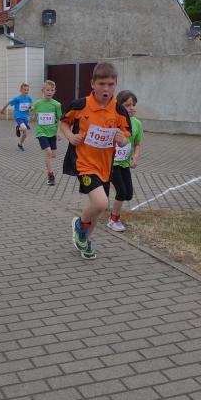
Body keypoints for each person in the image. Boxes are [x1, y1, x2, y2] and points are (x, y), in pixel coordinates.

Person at [60, 62, 130, 259]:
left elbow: (126, 139)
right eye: (101, 84)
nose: (106, 88)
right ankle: (79, 224)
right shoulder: (80, 105)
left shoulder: (119, 111)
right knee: (100, 202)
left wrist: (122, 140)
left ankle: (85, 239)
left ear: (116, 84)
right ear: (92, 83)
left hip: (105, 166)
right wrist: (70, 136)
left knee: (98, 210)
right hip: (84, 163)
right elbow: (64, 122)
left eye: (110, 84)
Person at [107, 91, 143, 232]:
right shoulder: (113, 121)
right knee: (121, 192)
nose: (131, 108)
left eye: (133, 105)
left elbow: (137, 144)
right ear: (119, 106)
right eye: (127, 105)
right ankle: (113, 220)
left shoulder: (137, 123)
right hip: (112, 164)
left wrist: (135, 157)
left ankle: (108, 184)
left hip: (125, 164)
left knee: (128, 194)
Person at [32, 80, 63, 185]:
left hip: (52, 132)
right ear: (43, 91)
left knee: (53, 154)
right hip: (41, 132)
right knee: (48, 152)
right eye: (47, 90)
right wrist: (30, 117)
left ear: (54, 91)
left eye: (52, 90)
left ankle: (50, 164)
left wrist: (59, 132)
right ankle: (50, 174)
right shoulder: (37, 104)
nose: (49, 92)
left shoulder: (57, 105)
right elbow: (33, 114)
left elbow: (59, 119)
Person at [0, 83, 33, 150]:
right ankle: (19, 127)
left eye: (27, 90)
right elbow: (8, 103)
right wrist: (3, 110)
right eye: (25, 90)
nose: (26, 91)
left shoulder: (29, 98)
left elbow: (30, 107)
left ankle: (20, 144)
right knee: (24, 128)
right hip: (18, 116)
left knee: (25, 134)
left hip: (25, 117)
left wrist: (31, 112)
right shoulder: (17, 98)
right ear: (21, 90)